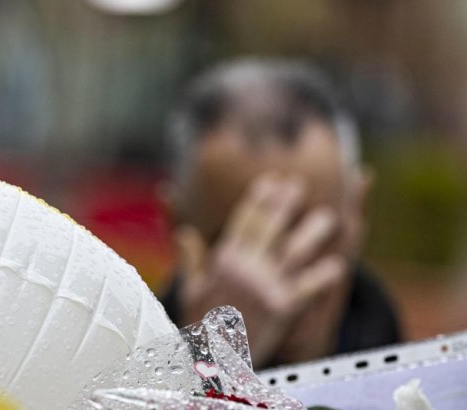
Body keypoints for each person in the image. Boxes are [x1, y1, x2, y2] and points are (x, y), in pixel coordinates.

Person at [160, 58, 402, 368]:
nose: (277, 295)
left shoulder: (395, 361)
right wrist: (209, 367)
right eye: (242, 242)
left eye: (318, 240)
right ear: (176, 222)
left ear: (360, 208)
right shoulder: (123, 356)